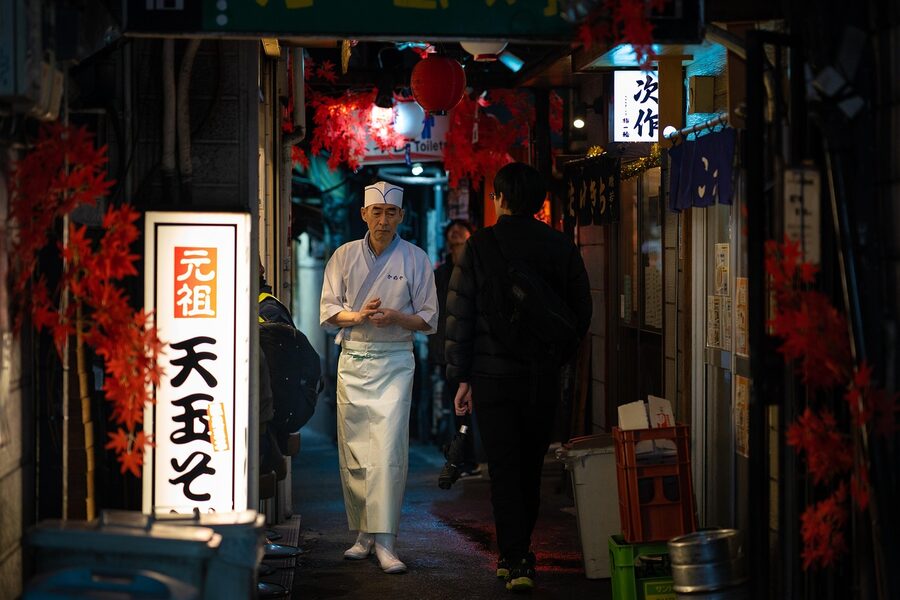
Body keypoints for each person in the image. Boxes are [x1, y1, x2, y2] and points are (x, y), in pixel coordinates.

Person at [444, 162, 592, 592]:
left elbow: (460, 313)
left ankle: (514, 556)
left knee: (504, 467)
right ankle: (521, 550)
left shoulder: (481, 246)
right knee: (529, 465)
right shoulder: (559, 245)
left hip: (491, 377)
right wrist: (555, 357)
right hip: (539, 376)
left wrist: (462, 376)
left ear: (501, 198)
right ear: (539, 201)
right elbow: (581, 311)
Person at [319, 181, 438, 574]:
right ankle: (364, 534)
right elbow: (328, 311)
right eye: (377, 212)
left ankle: (386, 540)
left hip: (395, 362)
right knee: (355, 451)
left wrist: (397, 317)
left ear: (401, 216)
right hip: (353, 359)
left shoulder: (416, 258)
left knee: (387, 451)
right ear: (364, 214)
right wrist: (360, 316)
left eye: (391, 213)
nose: (383, 220)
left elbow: (428, 318)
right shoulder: (343, 255)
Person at [428, 219, 480, 476]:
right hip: (451, 353)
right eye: (453, 232)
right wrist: (439, 352)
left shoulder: (480, 269)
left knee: (474, 405)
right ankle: (466, 458)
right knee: (460, 408)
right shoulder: (440, 274)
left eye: (462, 230)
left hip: (479, 350)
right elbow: (435, 316)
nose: (457, 234)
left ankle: (477, 455)